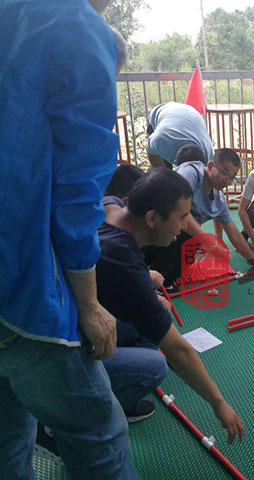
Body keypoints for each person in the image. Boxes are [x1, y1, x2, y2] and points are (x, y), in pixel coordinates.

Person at [0, 0, 139, 478]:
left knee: (7, 433)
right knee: (98, 436)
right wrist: (89, 305)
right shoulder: (74, 25)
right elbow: (78, 191)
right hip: (21, 283)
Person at [97, 168, 246, 444]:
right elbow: (178, 350)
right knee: (156, 366)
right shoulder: (126, 266)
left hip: (87, 315)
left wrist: (145, 275)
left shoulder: (111, 206)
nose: (184, 225)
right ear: (152, 218)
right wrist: (218, 402)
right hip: (66, 348)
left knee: (158, 314)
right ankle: (82, 414)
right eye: (181, 217)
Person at [144, 148, 254, 287]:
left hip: (173, 237)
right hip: (152, 228)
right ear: (210, 166)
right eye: (224, 172)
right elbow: (176, 208)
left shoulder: (219, 200)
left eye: (232, 177)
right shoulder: (191, 172)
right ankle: (148, 275)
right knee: (185, 233)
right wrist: (207, 241)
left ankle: (162, 281)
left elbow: (233, 233)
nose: (227, 180)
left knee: (190, 240)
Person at [146, 101, 214, 169]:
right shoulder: (160, 141)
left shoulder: (208, 157)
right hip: (164, 111)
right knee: (162, 171)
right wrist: (163, 172)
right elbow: (151, 152)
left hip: (189, 114)